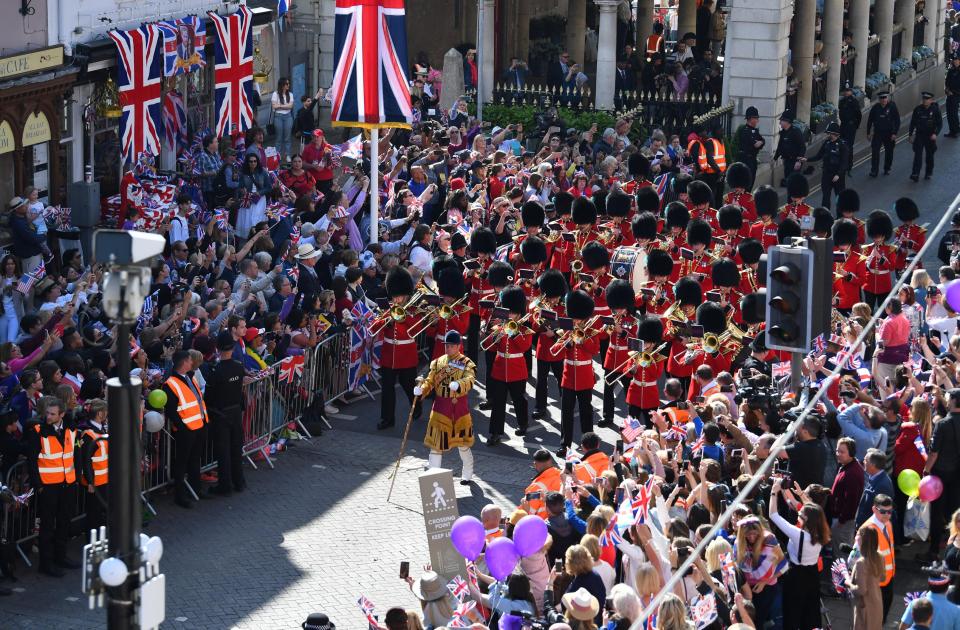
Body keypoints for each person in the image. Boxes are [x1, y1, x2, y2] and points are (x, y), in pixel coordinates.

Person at [25, 395, 79, 577]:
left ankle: (60, 556)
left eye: (52, 414)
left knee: (64, 521)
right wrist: (38, 485)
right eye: (47, 413)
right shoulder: (38, 431)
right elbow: (32, 460)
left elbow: (74, 454)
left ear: (61, 415)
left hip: (67, 483)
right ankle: (46, 564)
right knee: (47, 526)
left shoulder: (71, 429)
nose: (48, 416)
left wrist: (76, 478)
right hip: (48, 486)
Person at [769, 476, 829, 630]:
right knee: (810, 610)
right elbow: (816, 511)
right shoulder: (822, 531)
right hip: (813, 573)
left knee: (792, 611)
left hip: (796, 575)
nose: (798, 512)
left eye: (801, 513)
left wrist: (773, 492)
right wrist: (801, 495)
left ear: (807, 519)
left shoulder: (798, 534)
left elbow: (773, 515)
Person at [417, 330, 476, 485]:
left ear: (458, 346)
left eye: (451, 346)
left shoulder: (467, 363)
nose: (447, 348)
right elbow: (430, 381)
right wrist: (422, 389)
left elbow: (470, 379)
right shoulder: (438, 362)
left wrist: (459, 384)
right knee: (436, 445)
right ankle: (433, 479)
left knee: (462, 444)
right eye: (446, 345)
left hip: (459, 409)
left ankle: (467, 472)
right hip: (440, 407)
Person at [163, 350, 210, 509]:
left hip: (199, 425)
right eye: (190, 361)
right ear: (184, 362)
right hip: (186, 429)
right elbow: (171, 411)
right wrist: (182, 427)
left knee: (195, 459)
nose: (192, 363)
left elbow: (197, 400)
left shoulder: (190, 376)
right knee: (182, 463)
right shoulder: (170, 384)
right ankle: (180, 495)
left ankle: (195, 489)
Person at [204, 331, 247, 496]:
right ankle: (239, 481)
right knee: (236, 448)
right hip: (236, 411)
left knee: (223, 451)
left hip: (221, 414)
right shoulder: (238, 366)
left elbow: (209, 396)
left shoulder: (216, 371)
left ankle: (225, 486)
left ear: (218, 348)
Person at [921, 388, 960, 562]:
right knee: (955, 512)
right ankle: (954, 548)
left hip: (941, 475)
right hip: (957, 474)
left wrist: (926, 471)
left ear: (952, 401)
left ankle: (934, 551)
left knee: (936, 514)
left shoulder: (942, 424)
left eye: (948, 398)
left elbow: (934, 453)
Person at [77, 398, 109, 533]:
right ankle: (92, 543)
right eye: (106, 412)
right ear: (100, 414)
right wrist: (90, 482)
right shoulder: (88, 434)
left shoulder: (102, 429)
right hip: (95, 483)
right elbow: (86, 460)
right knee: (94, 515)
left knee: (102, 514)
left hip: (105, 479)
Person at [803, 122, 848, 210]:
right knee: (825, 196)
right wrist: (807, 159)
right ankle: (825, 215)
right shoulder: (827, 143)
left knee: (839, 197)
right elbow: (819, 156)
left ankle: (840, 217)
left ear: (834, 134)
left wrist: (838, 174)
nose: (828, 135)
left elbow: (844, 162)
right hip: (827, 174)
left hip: (838, 176)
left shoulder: (842, 145)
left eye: (829, 133)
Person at [848, 525, 884, 630]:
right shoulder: (880, 556)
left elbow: (861, 590)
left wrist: (848, 583)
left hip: (864, 608)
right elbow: (882, 578)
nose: (855, 537)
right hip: (876, 603)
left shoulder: (861, 563)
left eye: (857, 534)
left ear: (863, 540)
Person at [908, 91, 943, 181]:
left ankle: (928, 172)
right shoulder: (917, 109)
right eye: (924, 99)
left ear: (931, 100)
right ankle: (915, 173)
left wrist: (935, 134)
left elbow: (939, 124)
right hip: (920, 135)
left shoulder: (935, 110)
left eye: (927, 99)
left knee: (929, 156)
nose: (925, 101)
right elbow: (913, 123)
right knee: (918, 155)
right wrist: (910, 134)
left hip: (930, 136)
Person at [867, 91, 899, 177]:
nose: (884, 100)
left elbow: (897, 121)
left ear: (887, 98)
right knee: (875, 152)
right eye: (882, 98)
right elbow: (870, 120)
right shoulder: (875, 108)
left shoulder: (892, 107)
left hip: (889, 134)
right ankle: (874, 170)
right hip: (878, 133)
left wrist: (894, 133)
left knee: (889, 152)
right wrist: (868, 133)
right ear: (879, 99)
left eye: (885, 98)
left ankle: (887, 168)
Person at [773, 111, 805, 187]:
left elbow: (802, 147)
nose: (780, 123)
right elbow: (780, 146)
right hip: (787, 161)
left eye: (781, 121)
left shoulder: (796, 132)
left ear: (787, 122)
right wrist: (775, 158)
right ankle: (790, 199)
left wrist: (799, 161)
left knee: (794, 184)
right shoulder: (783, 132)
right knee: (788, 183)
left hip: (795, 162)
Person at [736, 107, 765, 182]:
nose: (757, 121)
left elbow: (762, 140)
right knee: (746, 183)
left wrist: (761, 142)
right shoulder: (745, 131)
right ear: (751, 119)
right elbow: (754, 145)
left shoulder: (754, 131)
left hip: (752, 160)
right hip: (746, 160)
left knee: (751, 181)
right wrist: (758, 143)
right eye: (756, 118)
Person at [839, 83, 862, 175]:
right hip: (843, 125)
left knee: (849, 146)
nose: (846, 92)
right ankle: (843, 163)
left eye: (848, 91)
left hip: (850, 126)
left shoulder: (854, 102)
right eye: (845, 91)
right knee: (842, 145)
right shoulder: (842, 101)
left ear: (851, 91)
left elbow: (858, 115)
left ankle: (849, 165)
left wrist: (855, 125)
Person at [946, 54, 960, 137]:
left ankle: (955, 130)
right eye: (954, 60)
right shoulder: (951, 70)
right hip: (950, 94)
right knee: (949, 113)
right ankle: (952, 130)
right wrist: (947, 90)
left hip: (957, 95)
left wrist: (954, 92)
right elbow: (947, 82)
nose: (955, 61)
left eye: (957, 60)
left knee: (954, 113)